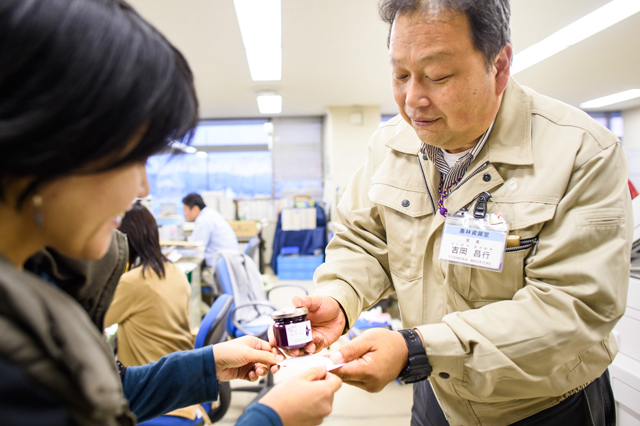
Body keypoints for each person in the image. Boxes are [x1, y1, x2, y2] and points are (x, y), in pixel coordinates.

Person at [278, 1, 632, 425]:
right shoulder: (391, 144)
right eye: (400, 75)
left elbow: (572, 307)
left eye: (438, 76)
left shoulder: (581, 152)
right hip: (437, 391)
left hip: (545, 405)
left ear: (499, 67)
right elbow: (364, 241)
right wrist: (339, 296)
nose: (412, 100)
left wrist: (416, 348)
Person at [0, 1, 341, 425]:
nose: (141, 188)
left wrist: (205, 365)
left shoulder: (44, 281)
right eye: (133, 157)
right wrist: (271, 419)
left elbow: (104, 391)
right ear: (52, 139)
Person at [105, 201, 202, 420]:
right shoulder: (174, 270)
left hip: (151, 387)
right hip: (182, 380)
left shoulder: (132, 282)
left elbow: (94, 319)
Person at [183, 193, 240, 267]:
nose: (184, 214)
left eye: (185, 210)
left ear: (195, 209)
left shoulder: (203, 220)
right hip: (229, 263)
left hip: (219, 267)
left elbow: (195, 247)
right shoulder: (211, 213)